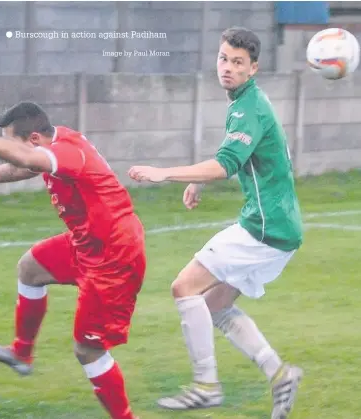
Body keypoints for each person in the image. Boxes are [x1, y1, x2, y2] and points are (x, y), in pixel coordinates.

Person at [128, 27, 304, 419]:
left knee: (183, 287)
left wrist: (164, 173)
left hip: (264, 227)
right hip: (281, 230)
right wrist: (195, 178)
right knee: (214, 305)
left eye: (238, 62)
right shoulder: (245, 102)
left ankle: (206, 386)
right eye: (224, 58)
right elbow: (232, 155)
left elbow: (225, 165)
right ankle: (280, 375)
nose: (227, 67)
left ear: (253, 68)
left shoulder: (248, 107)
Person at [0, 102, 145, 419]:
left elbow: (24, 158)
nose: (8, 148)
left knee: (88, 350)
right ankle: (22, 353)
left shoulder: (69, 151)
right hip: (87, 243)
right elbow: (26, 164)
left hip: (113, 255)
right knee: (30, 268)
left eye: (10, 142)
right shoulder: (55, 147)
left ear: (34, 138)